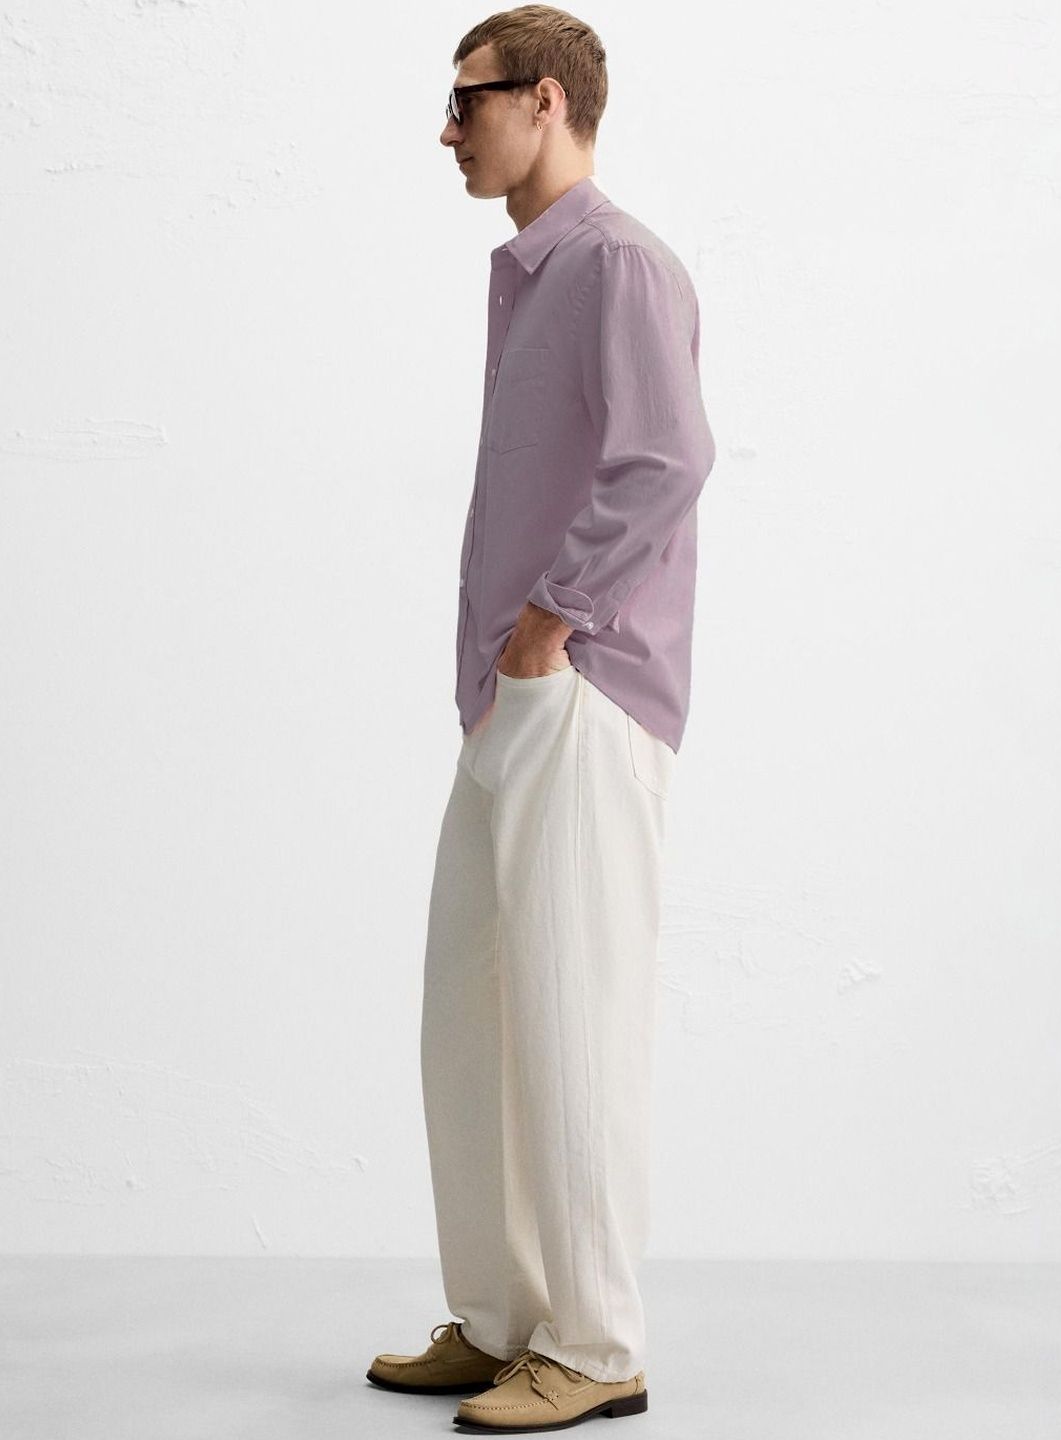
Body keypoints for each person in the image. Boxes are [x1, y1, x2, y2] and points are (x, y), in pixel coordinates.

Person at [367, 7, 716, 1432]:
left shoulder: (619, 263)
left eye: (471, 100)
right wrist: (501, 664)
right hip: (511, 699)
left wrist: (550, 621)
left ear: (549, 102)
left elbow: (668, 457)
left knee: (575, 1022)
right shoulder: (533, 274)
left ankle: (596, 1342)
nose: (449, 129)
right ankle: (507, 1320)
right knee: (473, 1016)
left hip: (584, 689)